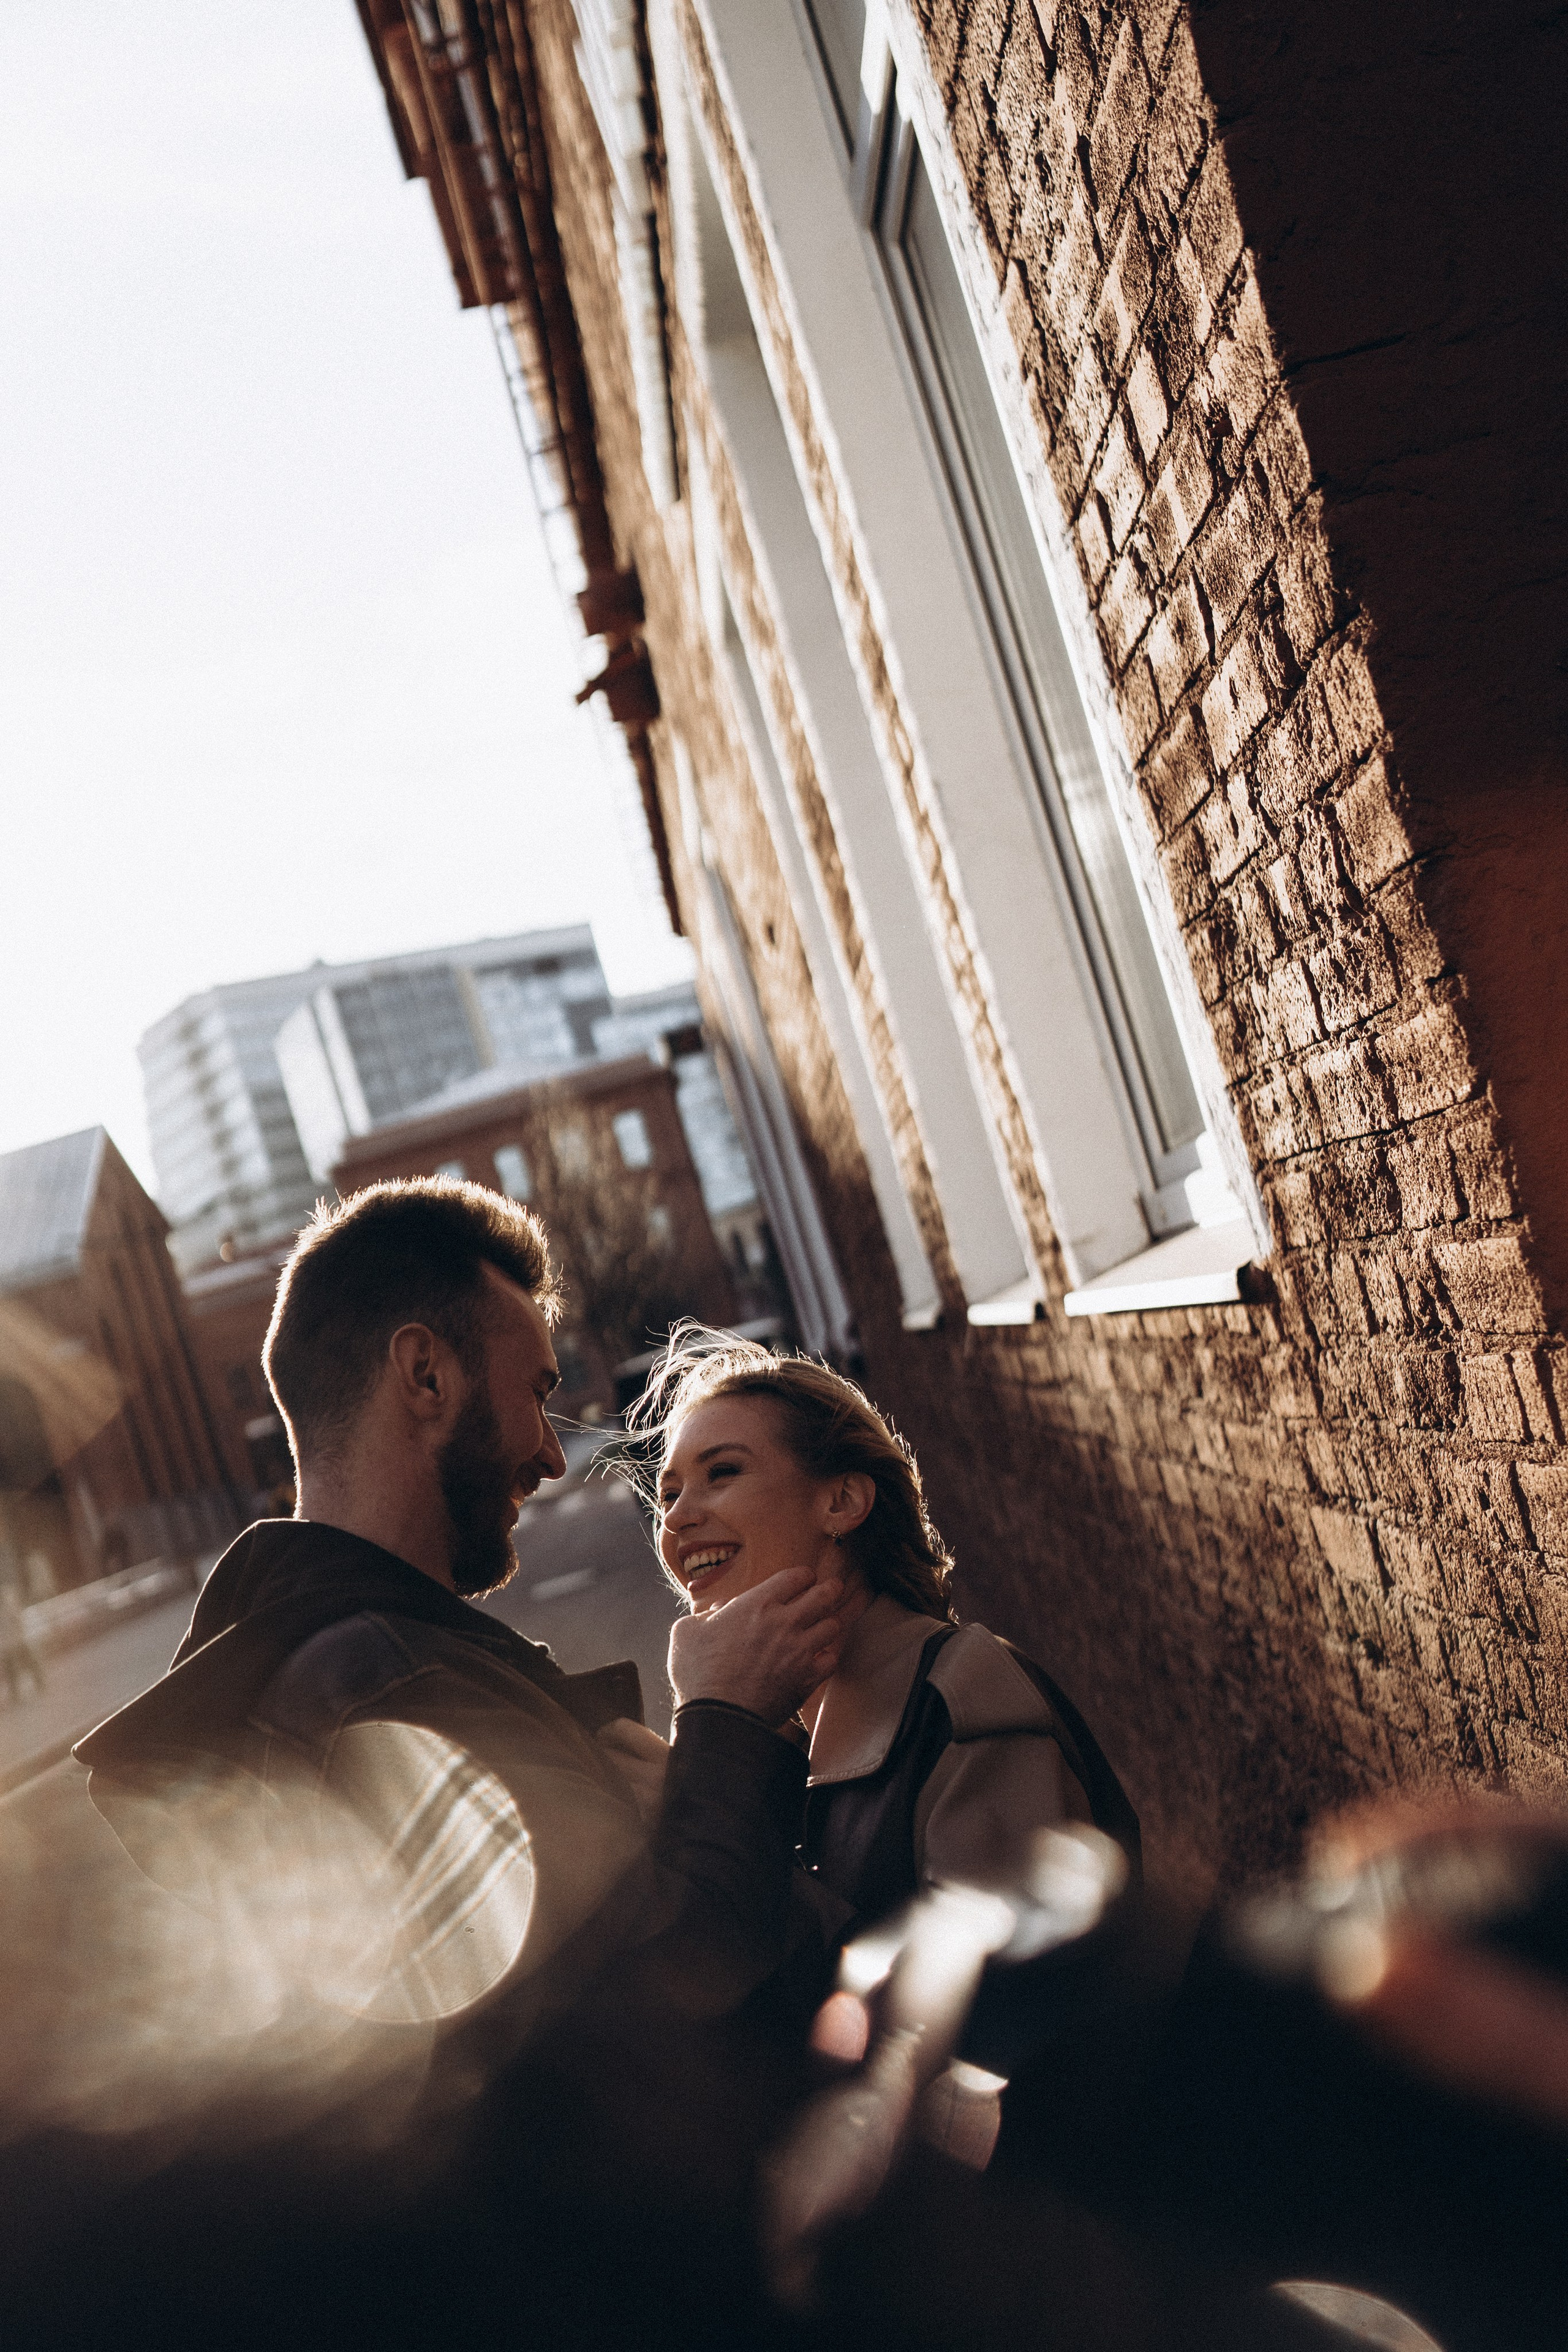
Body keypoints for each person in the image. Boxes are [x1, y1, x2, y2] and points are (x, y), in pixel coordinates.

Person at [62, 1181, 848, 2349]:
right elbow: (655, 2029)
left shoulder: (376, 1663)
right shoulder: (375, 1691)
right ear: (425, 1378)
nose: (546, 1449)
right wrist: (730, 1725)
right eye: (535, 1390)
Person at [630, 1324, 1138, 1934]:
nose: (678, 1517)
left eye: (724, 1472)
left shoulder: (962, 1701)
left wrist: (727, 1838)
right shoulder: (767, 1732)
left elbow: (998, 2005)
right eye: (668, 1494)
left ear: (842, 1502)